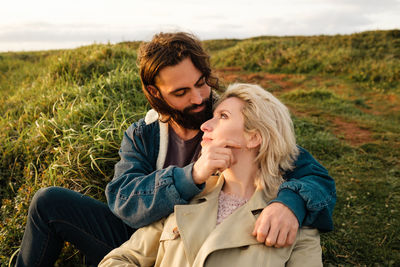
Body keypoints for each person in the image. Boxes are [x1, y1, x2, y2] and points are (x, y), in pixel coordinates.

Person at [15, 32, 335, 267]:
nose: (198, 98)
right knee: (48, 203)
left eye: (201, 83)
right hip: (145, 236)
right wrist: (192, 175)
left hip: (203, 237)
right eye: (181, 92)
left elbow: (313, 175)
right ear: (156, 93)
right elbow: (123, 201)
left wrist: (289, 204)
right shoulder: (144, 135)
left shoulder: (232, 122)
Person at [99, 83, 323, 267]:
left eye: (223, 116)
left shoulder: (294, 222)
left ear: (254, 137)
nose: (205, 125)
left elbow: (317, 176)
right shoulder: (183, 198)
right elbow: (117, 260)